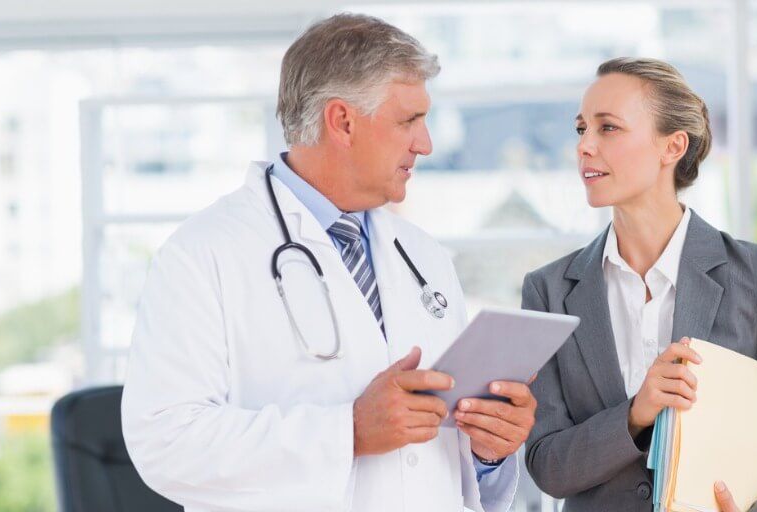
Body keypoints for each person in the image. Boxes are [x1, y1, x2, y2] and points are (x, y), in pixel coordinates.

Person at [121, 14, 535, 512]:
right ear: (342, 121)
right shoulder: (202, 254)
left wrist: (489, 450)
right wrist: (348, 432)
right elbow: (166, 445)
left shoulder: (423, 255)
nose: (425, 144)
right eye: (408, 121)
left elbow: (439, 467)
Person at [521, 57, 757, 511]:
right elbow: (547, 465)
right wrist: (633, 414)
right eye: (581, 128)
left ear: (673, 147)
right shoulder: (548, 291)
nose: (584, 146)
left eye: (608, 128)